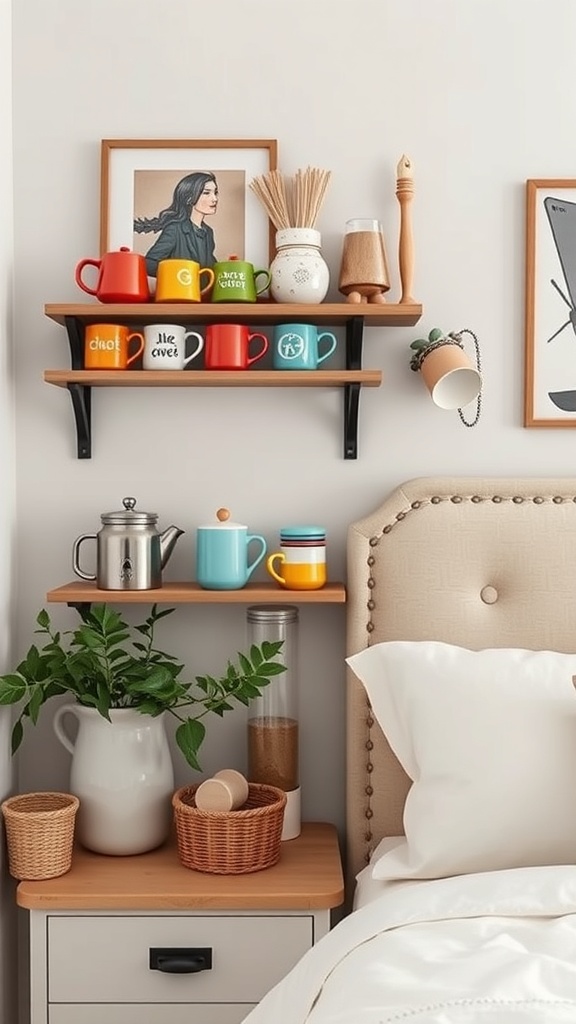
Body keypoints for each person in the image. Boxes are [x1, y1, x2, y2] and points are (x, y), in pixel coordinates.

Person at [134, 171, 219, 276]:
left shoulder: (208, 232)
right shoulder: (174, 229)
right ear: (189, 198)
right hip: (178, 291)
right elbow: (149, 264)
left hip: (202, 292)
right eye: (206, 193)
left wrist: (227, 269)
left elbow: (208, 266)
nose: (215, 199)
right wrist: (177, 275)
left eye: (215, 192)